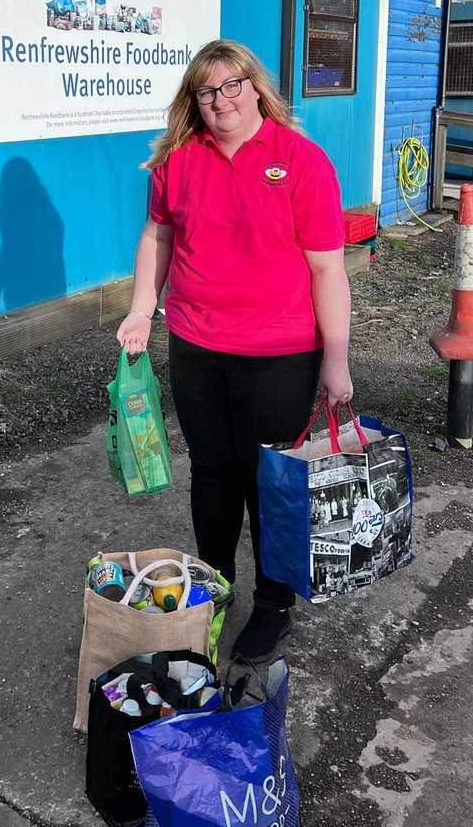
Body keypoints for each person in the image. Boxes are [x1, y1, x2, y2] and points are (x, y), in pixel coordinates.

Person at [117, 39, 352, 663]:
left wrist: (336, 358)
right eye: (205, 91)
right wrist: (143, 310)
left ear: (254, 87)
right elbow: (157, 235)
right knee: (214, 471)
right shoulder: (178, 158)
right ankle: (213, 589)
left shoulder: (300, 159)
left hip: (279, 352)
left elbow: (328, 269)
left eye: (230, 86)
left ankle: (275, 605)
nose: (220, 101)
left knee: (268, 482)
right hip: (196, 344)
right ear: (193, 100)